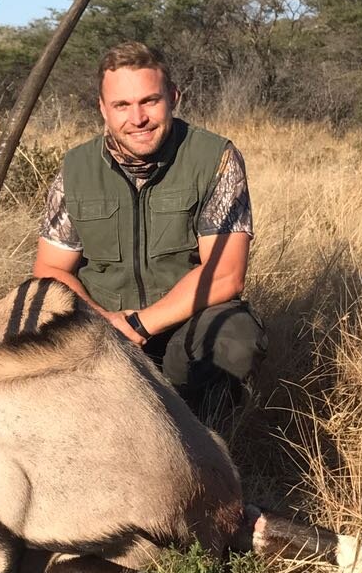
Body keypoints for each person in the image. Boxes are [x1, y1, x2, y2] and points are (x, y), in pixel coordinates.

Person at [33, 41, 266, 420]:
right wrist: (104, 325)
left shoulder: (215, 158)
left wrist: (137, 326)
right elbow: (50, 270)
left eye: (150, 101)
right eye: (122, 105)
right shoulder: (75, 168)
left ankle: (211, 447)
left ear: (173, 97)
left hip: (183, 322)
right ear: (103, 109)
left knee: (235, 338)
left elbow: (225, 274)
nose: (137, 118)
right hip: (100, 323)